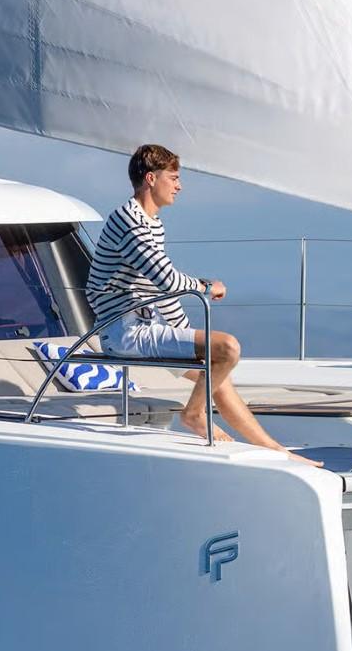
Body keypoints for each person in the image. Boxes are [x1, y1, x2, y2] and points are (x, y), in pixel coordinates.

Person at [85, 144, 319, 465]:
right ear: (151, 179)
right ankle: (194, 414)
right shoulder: (130, 222)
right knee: (228, 348)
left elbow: (160, 292)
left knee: (217, 373)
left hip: (146, 325)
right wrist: (206, 287)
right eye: (174, 178)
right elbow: (166, 280)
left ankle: (277, 451)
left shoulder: (152, 222)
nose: (179, 186)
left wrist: (189, 336)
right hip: (124, 332)